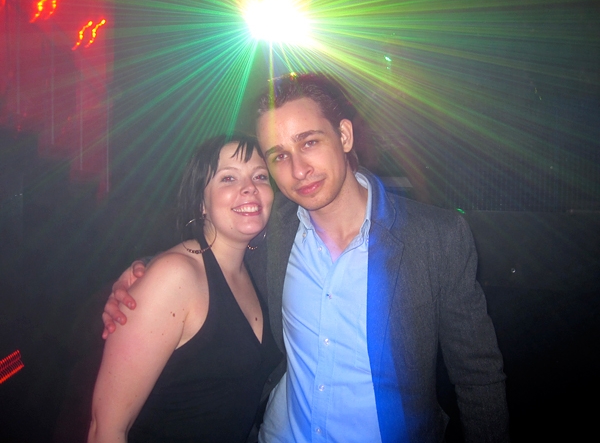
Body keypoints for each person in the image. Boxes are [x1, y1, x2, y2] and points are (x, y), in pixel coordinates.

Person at [103, 73, 510, 442]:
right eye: (279, 155)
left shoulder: (436, 238)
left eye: (309, 142)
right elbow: (217, 251)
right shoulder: (273, 232)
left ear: (344, 136)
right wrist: (147, 272)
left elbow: (478, 375)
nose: (299, 170)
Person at [88, 134, 281, 443]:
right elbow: (106, 428)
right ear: (201, 203)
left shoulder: (254, 270)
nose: (250, 188)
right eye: (228, 178)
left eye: (259, 176)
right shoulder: (175, 276)